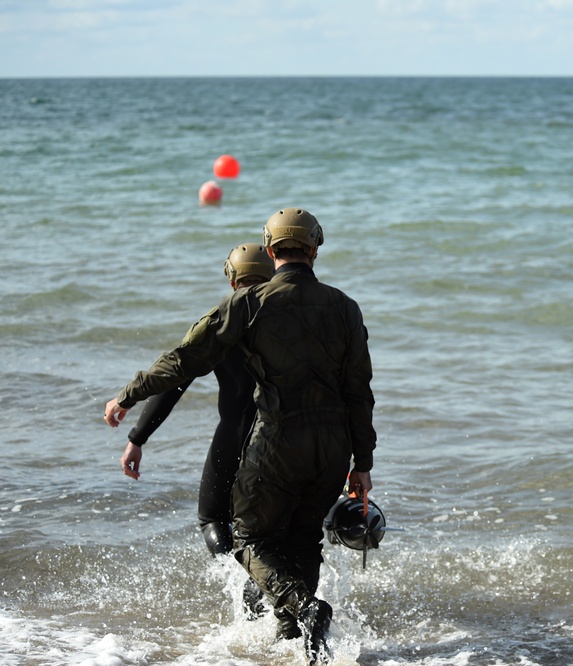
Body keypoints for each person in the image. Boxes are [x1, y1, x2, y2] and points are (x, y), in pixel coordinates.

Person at [104, 208, 376, 665]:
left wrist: (128, 396)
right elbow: (359, 391)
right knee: (305, 539)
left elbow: (182, 361)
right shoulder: (345, 307)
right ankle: (295, 641)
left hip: (277, 442)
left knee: (250, 540)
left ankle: (306, 610)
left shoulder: (247, 304)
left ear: (272, 250)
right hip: (333, 448)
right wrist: (362, 463)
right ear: (315, 248)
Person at [118, 243, 275, 556]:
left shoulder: (220, 325)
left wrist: (138, 438)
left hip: (235, 436)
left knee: (213, 518)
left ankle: (241, 579)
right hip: (287, 435)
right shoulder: (292, 323)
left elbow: (175, 380)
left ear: (232, 282)